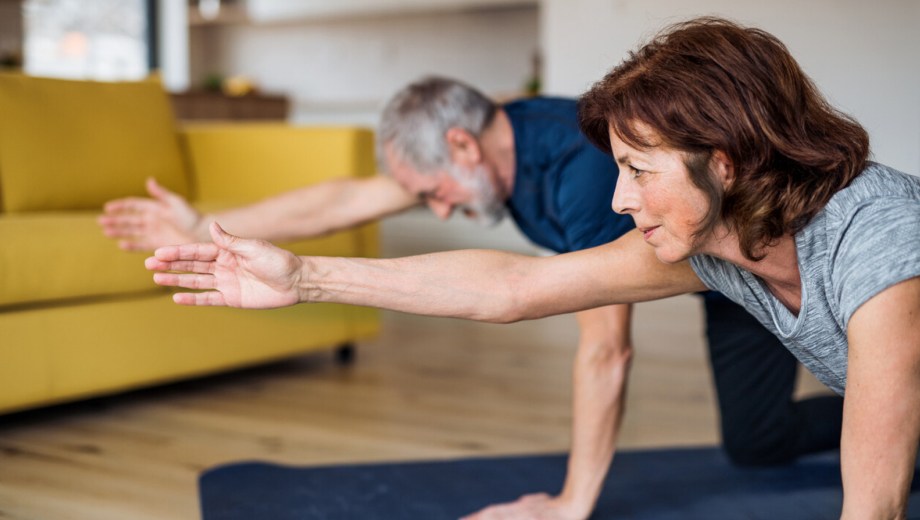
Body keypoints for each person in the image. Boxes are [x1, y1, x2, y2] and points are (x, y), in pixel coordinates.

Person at [129, 57, 872, 517]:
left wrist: (571, 504)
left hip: (756, 258)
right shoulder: (485, 142)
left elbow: (606, 352)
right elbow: (346, 200)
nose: (440, 208)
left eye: (437, 194)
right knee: (757, 444)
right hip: (707, 278)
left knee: (871, 378)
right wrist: (206, 227)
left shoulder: (588, 184)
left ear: (460, 144)